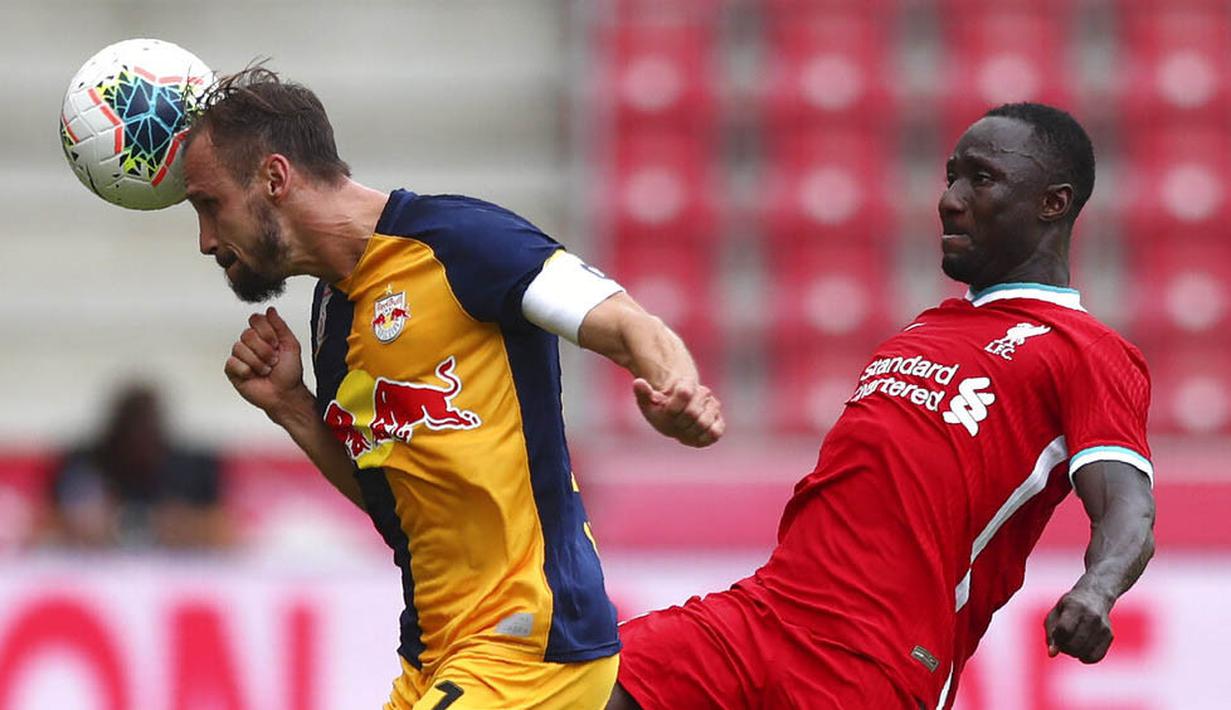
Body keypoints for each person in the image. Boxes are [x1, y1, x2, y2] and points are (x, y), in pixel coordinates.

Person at [180, 66, 725, 710]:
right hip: (436, 655)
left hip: (529, 644)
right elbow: (396, 507)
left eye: (209, 205)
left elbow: (624, 319)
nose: (207, 240)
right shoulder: (334, 315)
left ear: (274, 178)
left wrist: (674, 386)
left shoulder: (461, 244)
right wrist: (294, 408)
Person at [607, 103, 1156, 709]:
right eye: (951, 176)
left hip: (873, 662)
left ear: (1053, 203)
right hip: (760, 614)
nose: (950, 198)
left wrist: (1097, 591)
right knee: (573, 689)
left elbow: (1129, 508)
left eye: (981, 178)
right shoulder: (924, 330)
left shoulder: (1089, 351)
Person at [47, 382, 230, 550]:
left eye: (145, 433)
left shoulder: (193, 467)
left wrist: (189, 526)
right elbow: (44, 524)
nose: (138, 442)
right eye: (131, 434)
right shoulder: (84, 463)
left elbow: (227, 531)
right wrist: (80, 523)